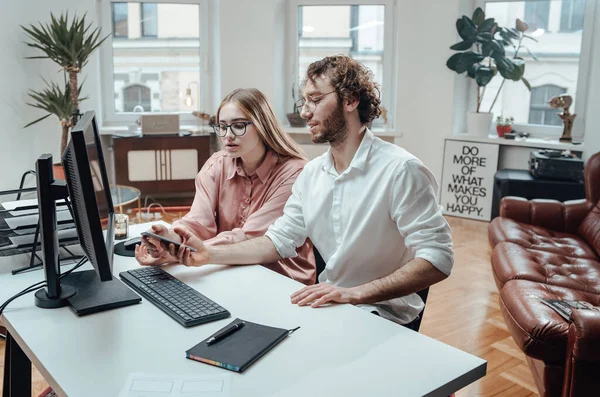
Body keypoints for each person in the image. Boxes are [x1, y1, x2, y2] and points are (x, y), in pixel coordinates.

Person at [170, 55, 453, 327]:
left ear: (351, 100)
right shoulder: (312, 174)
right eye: (304, 101)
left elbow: (438, 258)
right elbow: (278, 241)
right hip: (331, 302)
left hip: (383, 312)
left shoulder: (401, 170)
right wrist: (208, 254)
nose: (305, 112)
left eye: (316, 100)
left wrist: (355, 293)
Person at [135, 88, 316, 285]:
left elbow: (250, 237)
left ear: (263, 125)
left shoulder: (294, 172)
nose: (228, 135)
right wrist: (169, 239)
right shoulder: (216, 164)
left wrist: (186, 252)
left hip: (285, 279)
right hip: (230, 270)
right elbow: (197, 222)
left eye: (238, 126)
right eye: (222, 126)